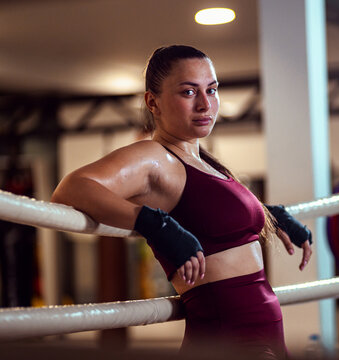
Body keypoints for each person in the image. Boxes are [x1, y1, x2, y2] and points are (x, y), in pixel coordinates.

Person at [51, 45, 312, 359]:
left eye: (211, 90)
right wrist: (154, 224)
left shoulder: (205, 162)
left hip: (264, 339)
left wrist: (268, 215)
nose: (205, 104)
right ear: (153, 102)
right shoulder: (153, 157)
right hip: (228, 340)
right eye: (189, 92)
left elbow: (208, 213)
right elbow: (72, 188)